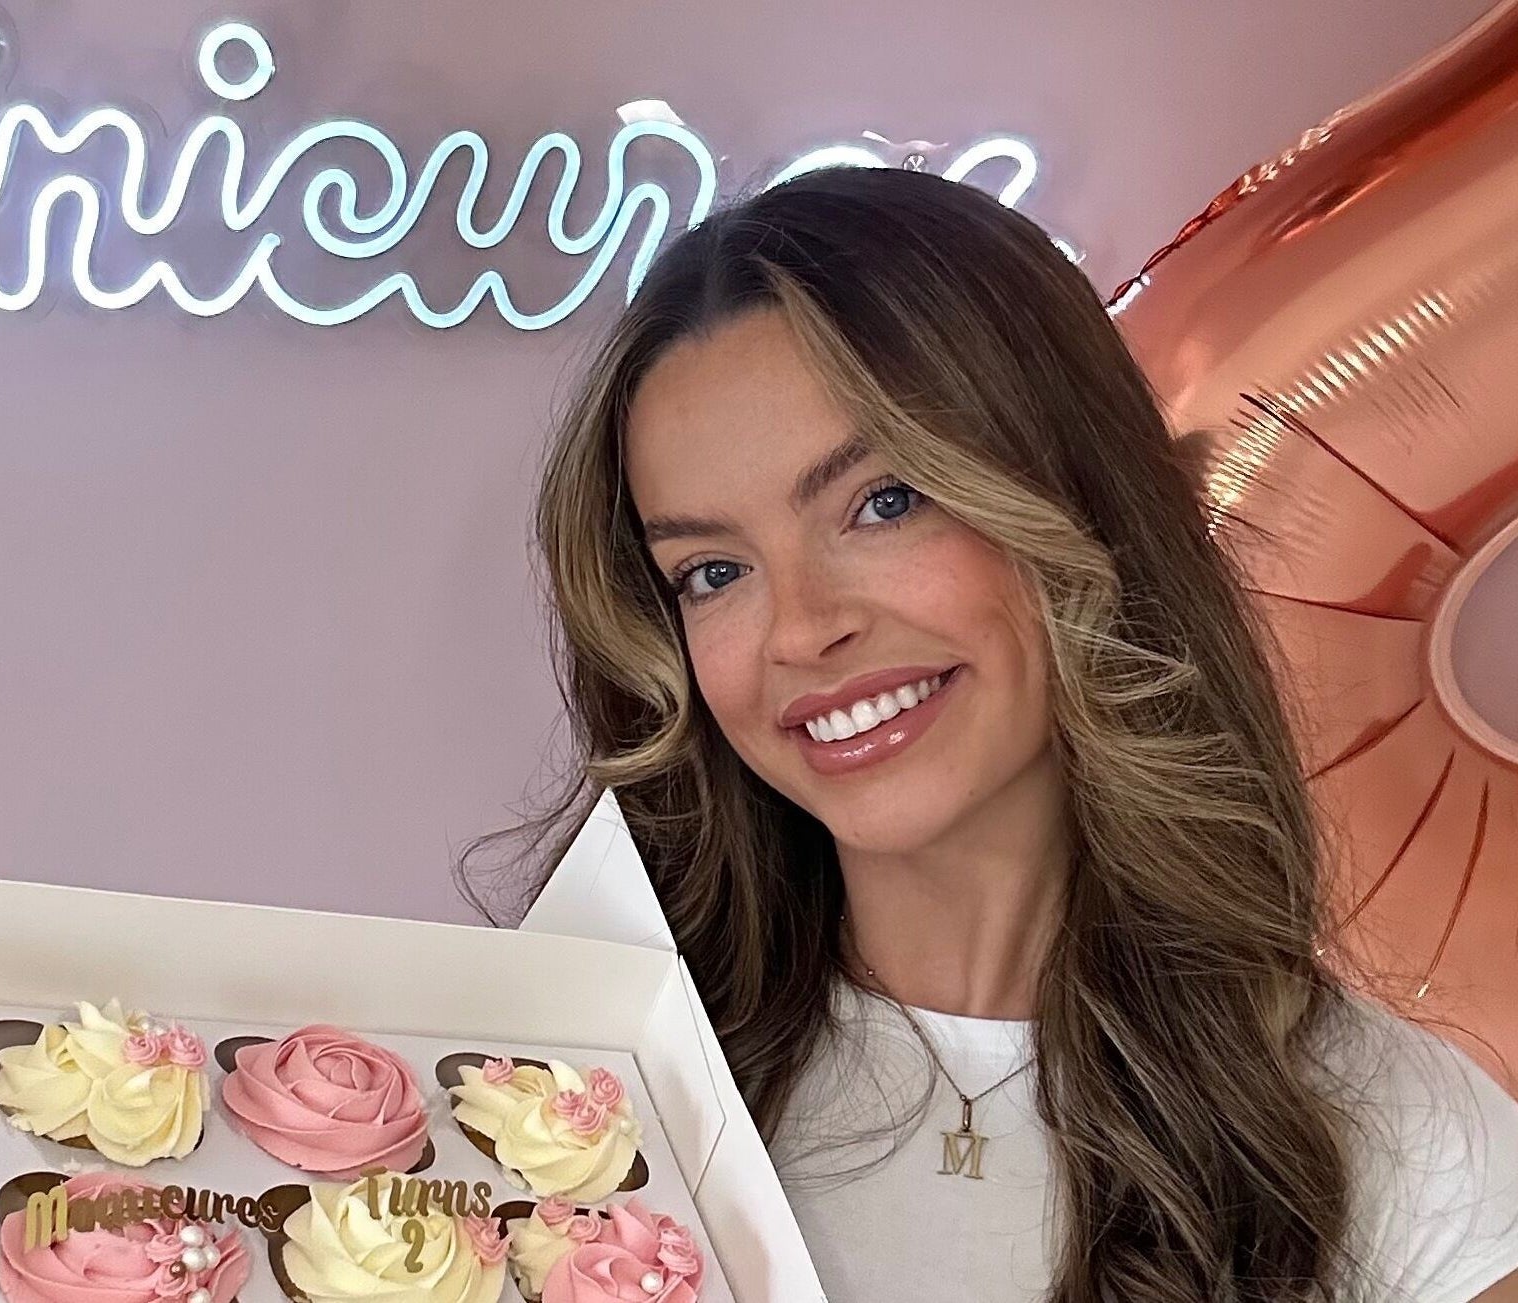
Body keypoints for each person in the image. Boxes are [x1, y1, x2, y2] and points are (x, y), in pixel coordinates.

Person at [458, 166, 1518, 1301]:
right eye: (713, 572)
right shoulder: (562, 1087)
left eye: (884, 501)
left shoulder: (1407, 1140)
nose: (802, 630)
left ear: (1076, 501)